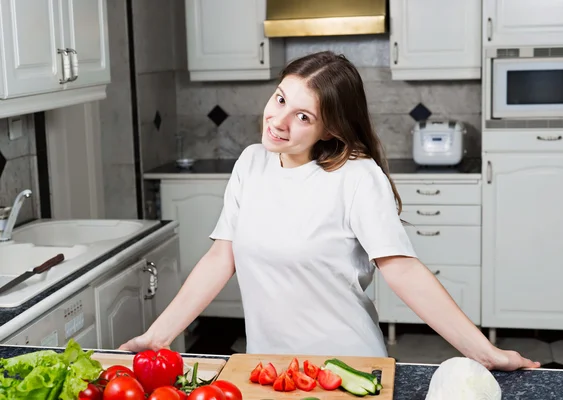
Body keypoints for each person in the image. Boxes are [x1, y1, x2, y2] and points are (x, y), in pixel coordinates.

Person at [120, 51, 540, 371]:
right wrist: (159, 336)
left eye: (302, 116)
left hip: (346, 368)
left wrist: (484, 352)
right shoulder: (251, 162)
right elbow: (221, 257)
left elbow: (404, 272)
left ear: (331, 128)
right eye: (280, 98)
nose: (278, 121)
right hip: (269, 371)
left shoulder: (356, 175)